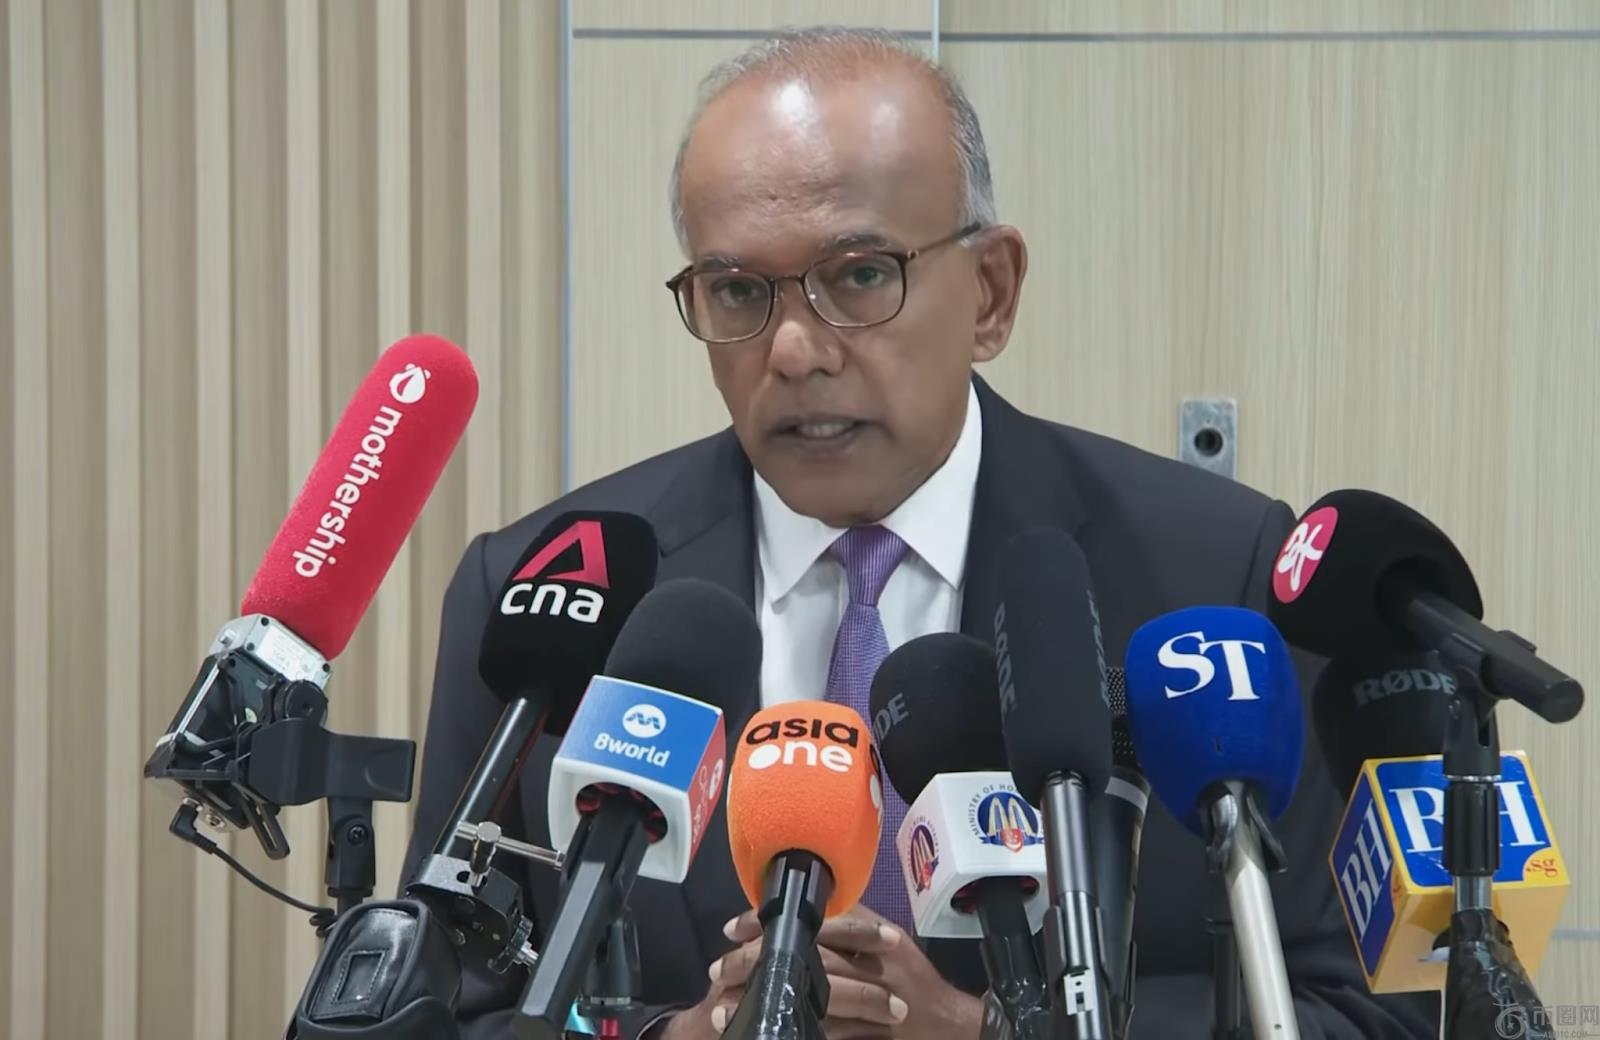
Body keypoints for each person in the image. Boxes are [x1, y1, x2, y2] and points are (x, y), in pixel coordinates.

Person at [402, 26, 1437, 1039]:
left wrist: (993, 1031)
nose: (795, 349)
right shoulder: (549, 598)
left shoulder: (1217, 576)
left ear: (990, 292)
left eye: (859, 274)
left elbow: (1370, 1009)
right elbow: (441, 1007)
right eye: (738, 291)